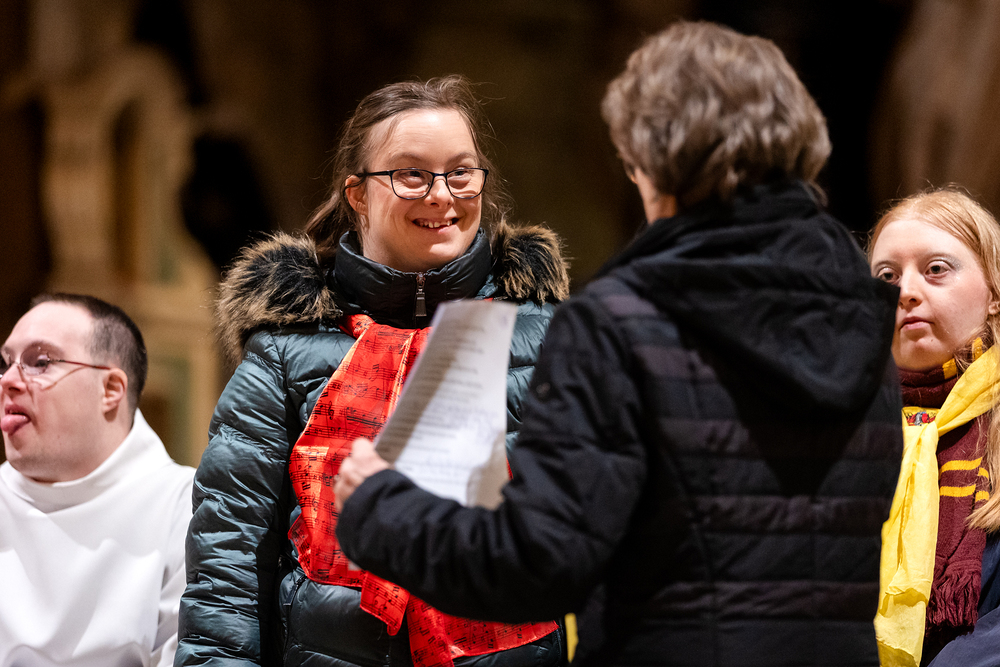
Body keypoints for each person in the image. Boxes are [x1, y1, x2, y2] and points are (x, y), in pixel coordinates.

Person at [332, 20, 904, 667]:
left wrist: (381, 506)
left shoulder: (618, 323)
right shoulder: (860, 314)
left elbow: (539, 560)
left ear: (651, 160)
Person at [175, 75, 569, 667]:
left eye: (461, 173)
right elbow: (228, 563)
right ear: (357, 194)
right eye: (412, 174)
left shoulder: (549, 339)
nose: (442, 195)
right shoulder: (286, 350)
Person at [0, 293, 194, 666]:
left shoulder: (184, 506)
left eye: (40, 362)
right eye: (6, 363)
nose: (9, 380)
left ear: (110, 390)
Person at [869, 188, 1000, 666]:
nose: (905, 291)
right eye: (886, 276)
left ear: (994, 293)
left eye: (936, 269)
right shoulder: (834, 432)